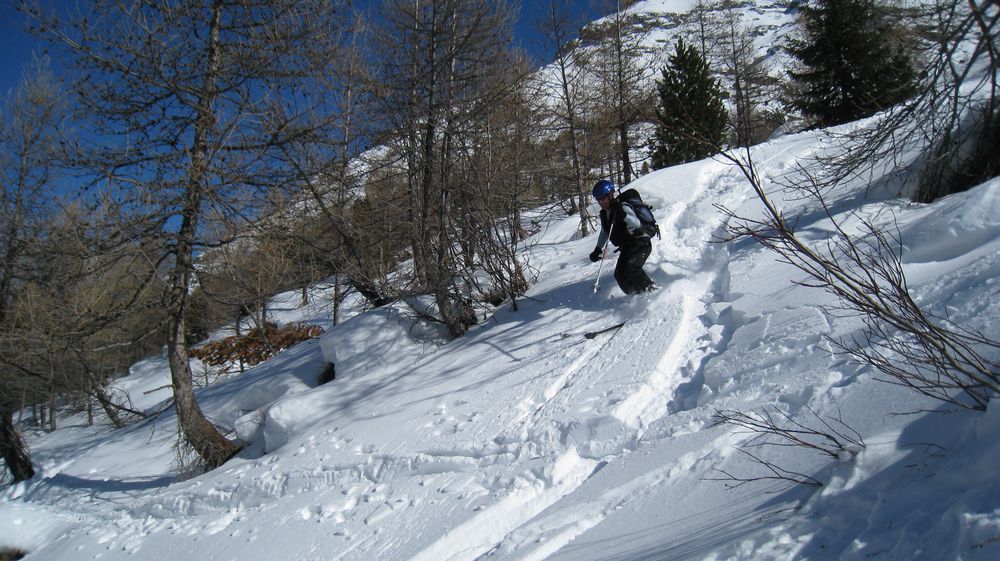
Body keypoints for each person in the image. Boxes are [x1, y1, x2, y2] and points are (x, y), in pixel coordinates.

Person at [588, 179, 656, 294]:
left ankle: (653, 293)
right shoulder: (605, 213)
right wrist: (597, 249)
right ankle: (636, 297)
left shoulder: (622, 206)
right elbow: (605, 232)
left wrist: (624, 215)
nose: (600, 202)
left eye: (603, 198)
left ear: (610, 195)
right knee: (619, 274)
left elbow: (637, 223)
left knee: (631, 269)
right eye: (598, 199)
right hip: (628, 247)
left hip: (640, 243)